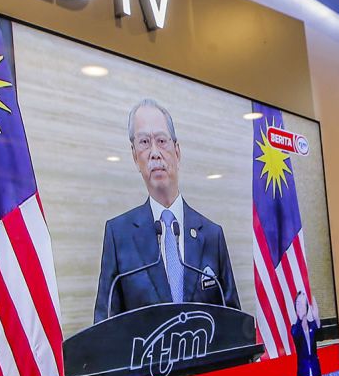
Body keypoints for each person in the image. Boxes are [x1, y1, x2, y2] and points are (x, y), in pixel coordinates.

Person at [94, 99, 239, 322]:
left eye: (162, 141)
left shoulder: (212, 235)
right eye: (144, 142)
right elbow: (104, 328)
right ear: (135, 156)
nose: (154, 153)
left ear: (177, 151)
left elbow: (233, 322)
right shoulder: (118, 234)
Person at [291, 291, 321, 376]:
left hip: (316, 371)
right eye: (297, 304)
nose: (299, 306)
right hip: (302, 374)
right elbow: (296, 334)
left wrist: (316, 317)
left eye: (302, 303)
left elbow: (320, 335)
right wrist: (300, 319)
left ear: (307, 306)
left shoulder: (312, 325)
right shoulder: (294, 328)